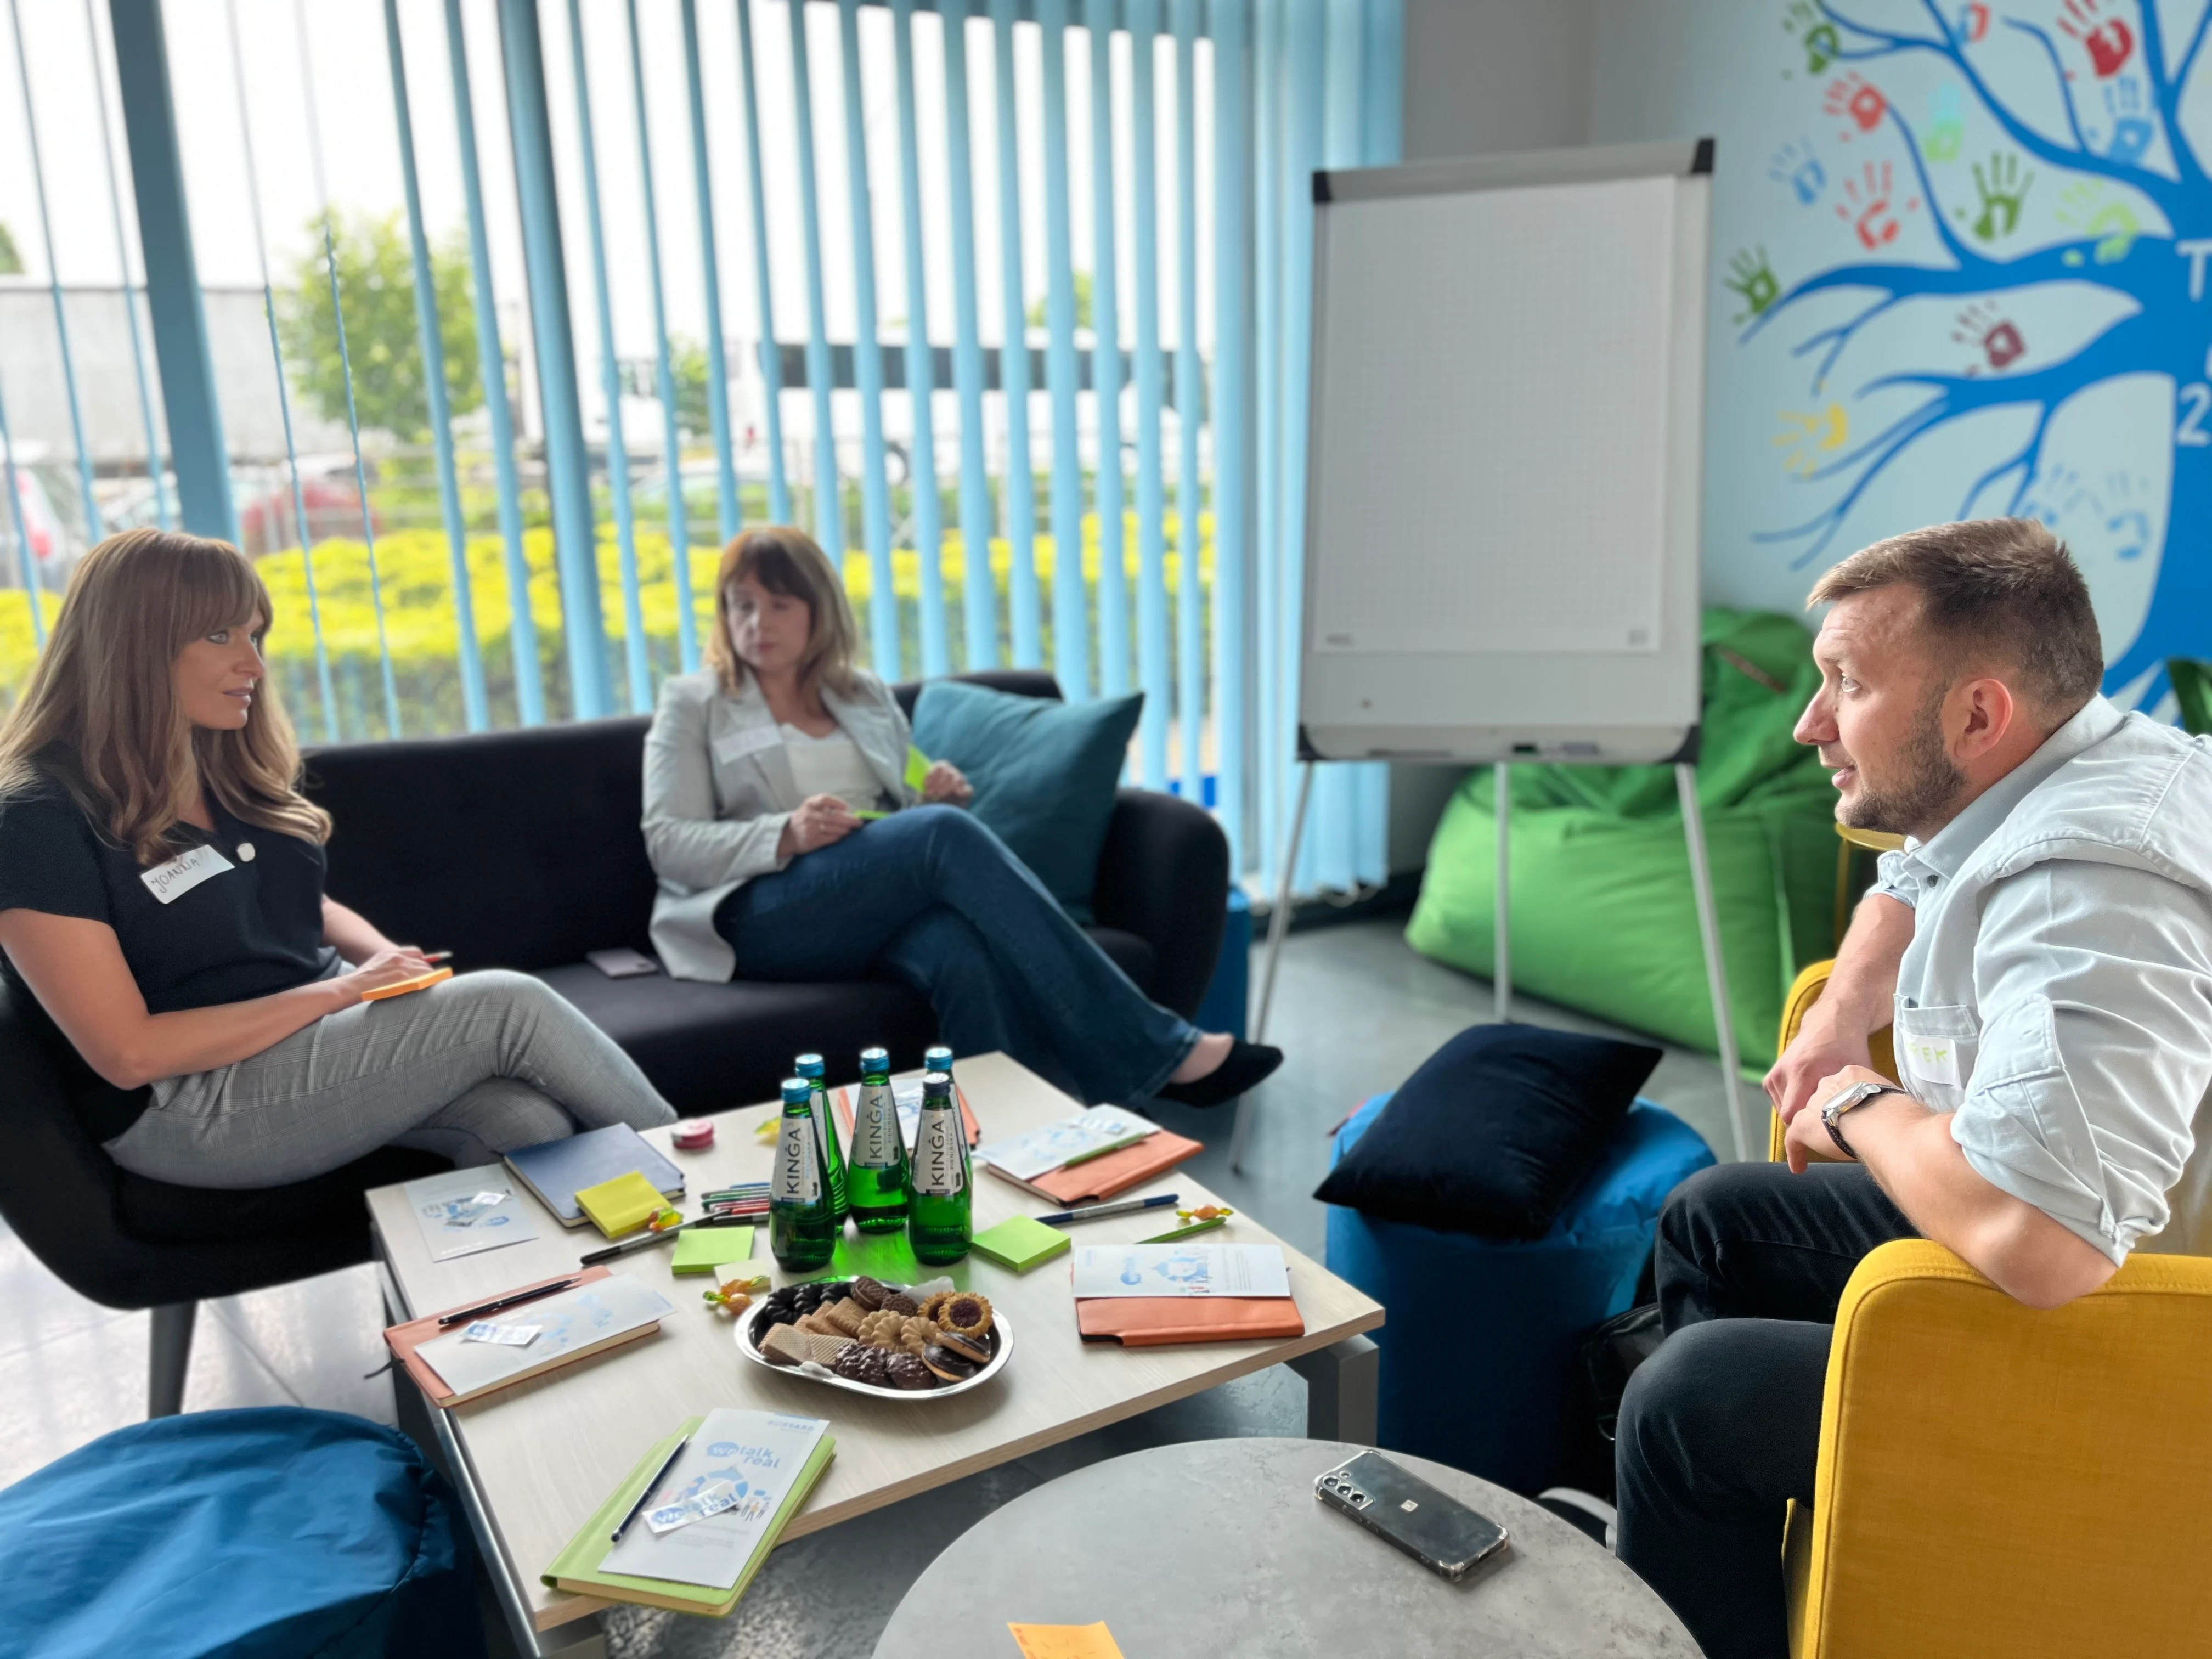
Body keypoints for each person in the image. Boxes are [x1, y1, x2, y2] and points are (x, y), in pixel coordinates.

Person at [1613, 518, 2212, 1659]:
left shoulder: (2085, 892)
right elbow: (1916, 868)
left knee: (1690, 1401)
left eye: (1846, 685)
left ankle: (1727, 1509)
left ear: (1979, 715)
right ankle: (1779, 1550)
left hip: (2139, 1343)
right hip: (2109, 1250)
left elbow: (2040, 1242)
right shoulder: (2098, 756)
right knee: (1716, 1218)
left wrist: (1852, 1102)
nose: (1809, 723)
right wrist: (1847, 1000)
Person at [0, 529, 675, 1189]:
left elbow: (305, 908)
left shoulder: (210, 762)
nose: (255, 667)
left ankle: (527, 1303)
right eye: (220, 636)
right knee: (508, 1005)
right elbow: (127, 1053)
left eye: (255, 636)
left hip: (313, 1040)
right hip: (188, 1103)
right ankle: (716, 1198)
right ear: (135, 645)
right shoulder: (37, 818)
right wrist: (344, 990)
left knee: (525, 1125)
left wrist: (395, 968)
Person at [641, 524, 1280, 1107]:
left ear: (819, 612)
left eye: (779, 605)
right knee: (941, 837)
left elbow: (897, 810)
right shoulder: (694, 703)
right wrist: (785, 831)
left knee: (957, 946)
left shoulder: (859, 694)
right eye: (742, 604)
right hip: (755, 912)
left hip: (858, 902)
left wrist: (929, 801)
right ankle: (1157, 1048)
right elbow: (668, 842)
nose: (758, 622)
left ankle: (1020, 1140)